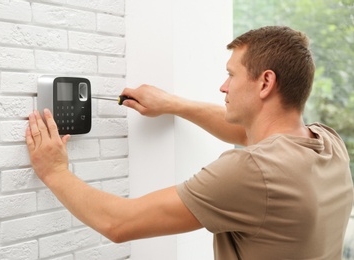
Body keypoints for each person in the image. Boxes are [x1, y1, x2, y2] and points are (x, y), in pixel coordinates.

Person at [26, 26, 353, 259]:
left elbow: (119, 223)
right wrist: (172, 104)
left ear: (266, 82)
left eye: (232, 74)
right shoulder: (326, 142)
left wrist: (54, 170)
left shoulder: (252, 171)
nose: (224, 87)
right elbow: (251, 135)